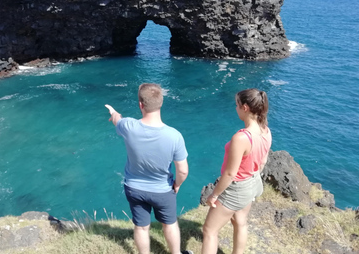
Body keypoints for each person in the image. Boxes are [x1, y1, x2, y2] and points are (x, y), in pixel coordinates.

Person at [105, 83, 192, 254]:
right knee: (169, 223)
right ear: (161, 103)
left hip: (134, 188)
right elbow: (183, 170)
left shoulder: (128, 126)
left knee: (141, 227)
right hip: (162, 190)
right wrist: (177, 184)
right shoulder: (174, 135)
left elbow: (117, 120)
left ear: (140, 105)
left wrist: (114, 113)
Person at [201, 88, 272, 254]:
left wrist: (214, 195)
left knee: (209, 231)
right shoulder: (266, 130)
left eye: (237, 105)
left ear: (245, 108)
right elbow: (262, 162)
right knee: (240, 221)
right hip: (253, 183)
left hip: (237, 189)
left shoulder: (242, 138)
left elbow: (230, 174)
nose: (236, 108)